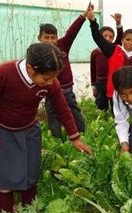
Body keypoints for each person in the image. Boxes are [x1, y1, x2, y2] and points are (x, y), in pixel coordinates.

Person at [0, 43, 92, 213]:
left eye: (54, 78)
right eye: (47, 78)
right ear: (31, 69)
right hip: (3, 132)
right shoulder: (4, 73)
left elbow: (62, 108)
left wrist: (75, 137)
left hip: (29, 132)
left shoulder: (51, 83)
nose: (51, 83)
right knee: (4, 180)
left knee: (30, 177)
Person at [38, 3, 92, 137]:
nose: (50, 41)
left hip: (66, 90)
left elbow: (72, 31)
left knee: (74, 111)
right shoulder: (36, 53)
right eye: (46, 37)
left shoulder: (63, 45)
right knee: (52, 114)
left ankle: (84, 134)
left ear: (57, 37)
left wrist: (84, 15)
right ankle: (57, 139)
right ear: (40, 38)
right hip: (50, 90)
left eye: (53, 37)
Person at [87, 9, 132, 106]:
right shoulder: (113, 51)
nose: (130, 42)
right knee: (116, 118)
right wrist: (93, 22)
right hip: (115, 93)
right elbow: (98, 38)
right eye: (127, 39)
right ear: (122, 40)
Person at [90, 13, 123, 111]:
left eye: (110, 36)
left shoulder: (113, 49)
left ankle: (114, 119)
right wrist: (93, 85)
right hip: (100, 82)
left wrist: (118, 24)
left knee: (115, 104)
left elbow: (120, 37)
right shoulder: (95, 53)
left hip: (112, 81)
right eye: (105, 36)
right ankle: (102, 121)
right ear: (100, 37)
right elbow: (93, 70)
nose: (108, 38)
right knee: (101, 104)